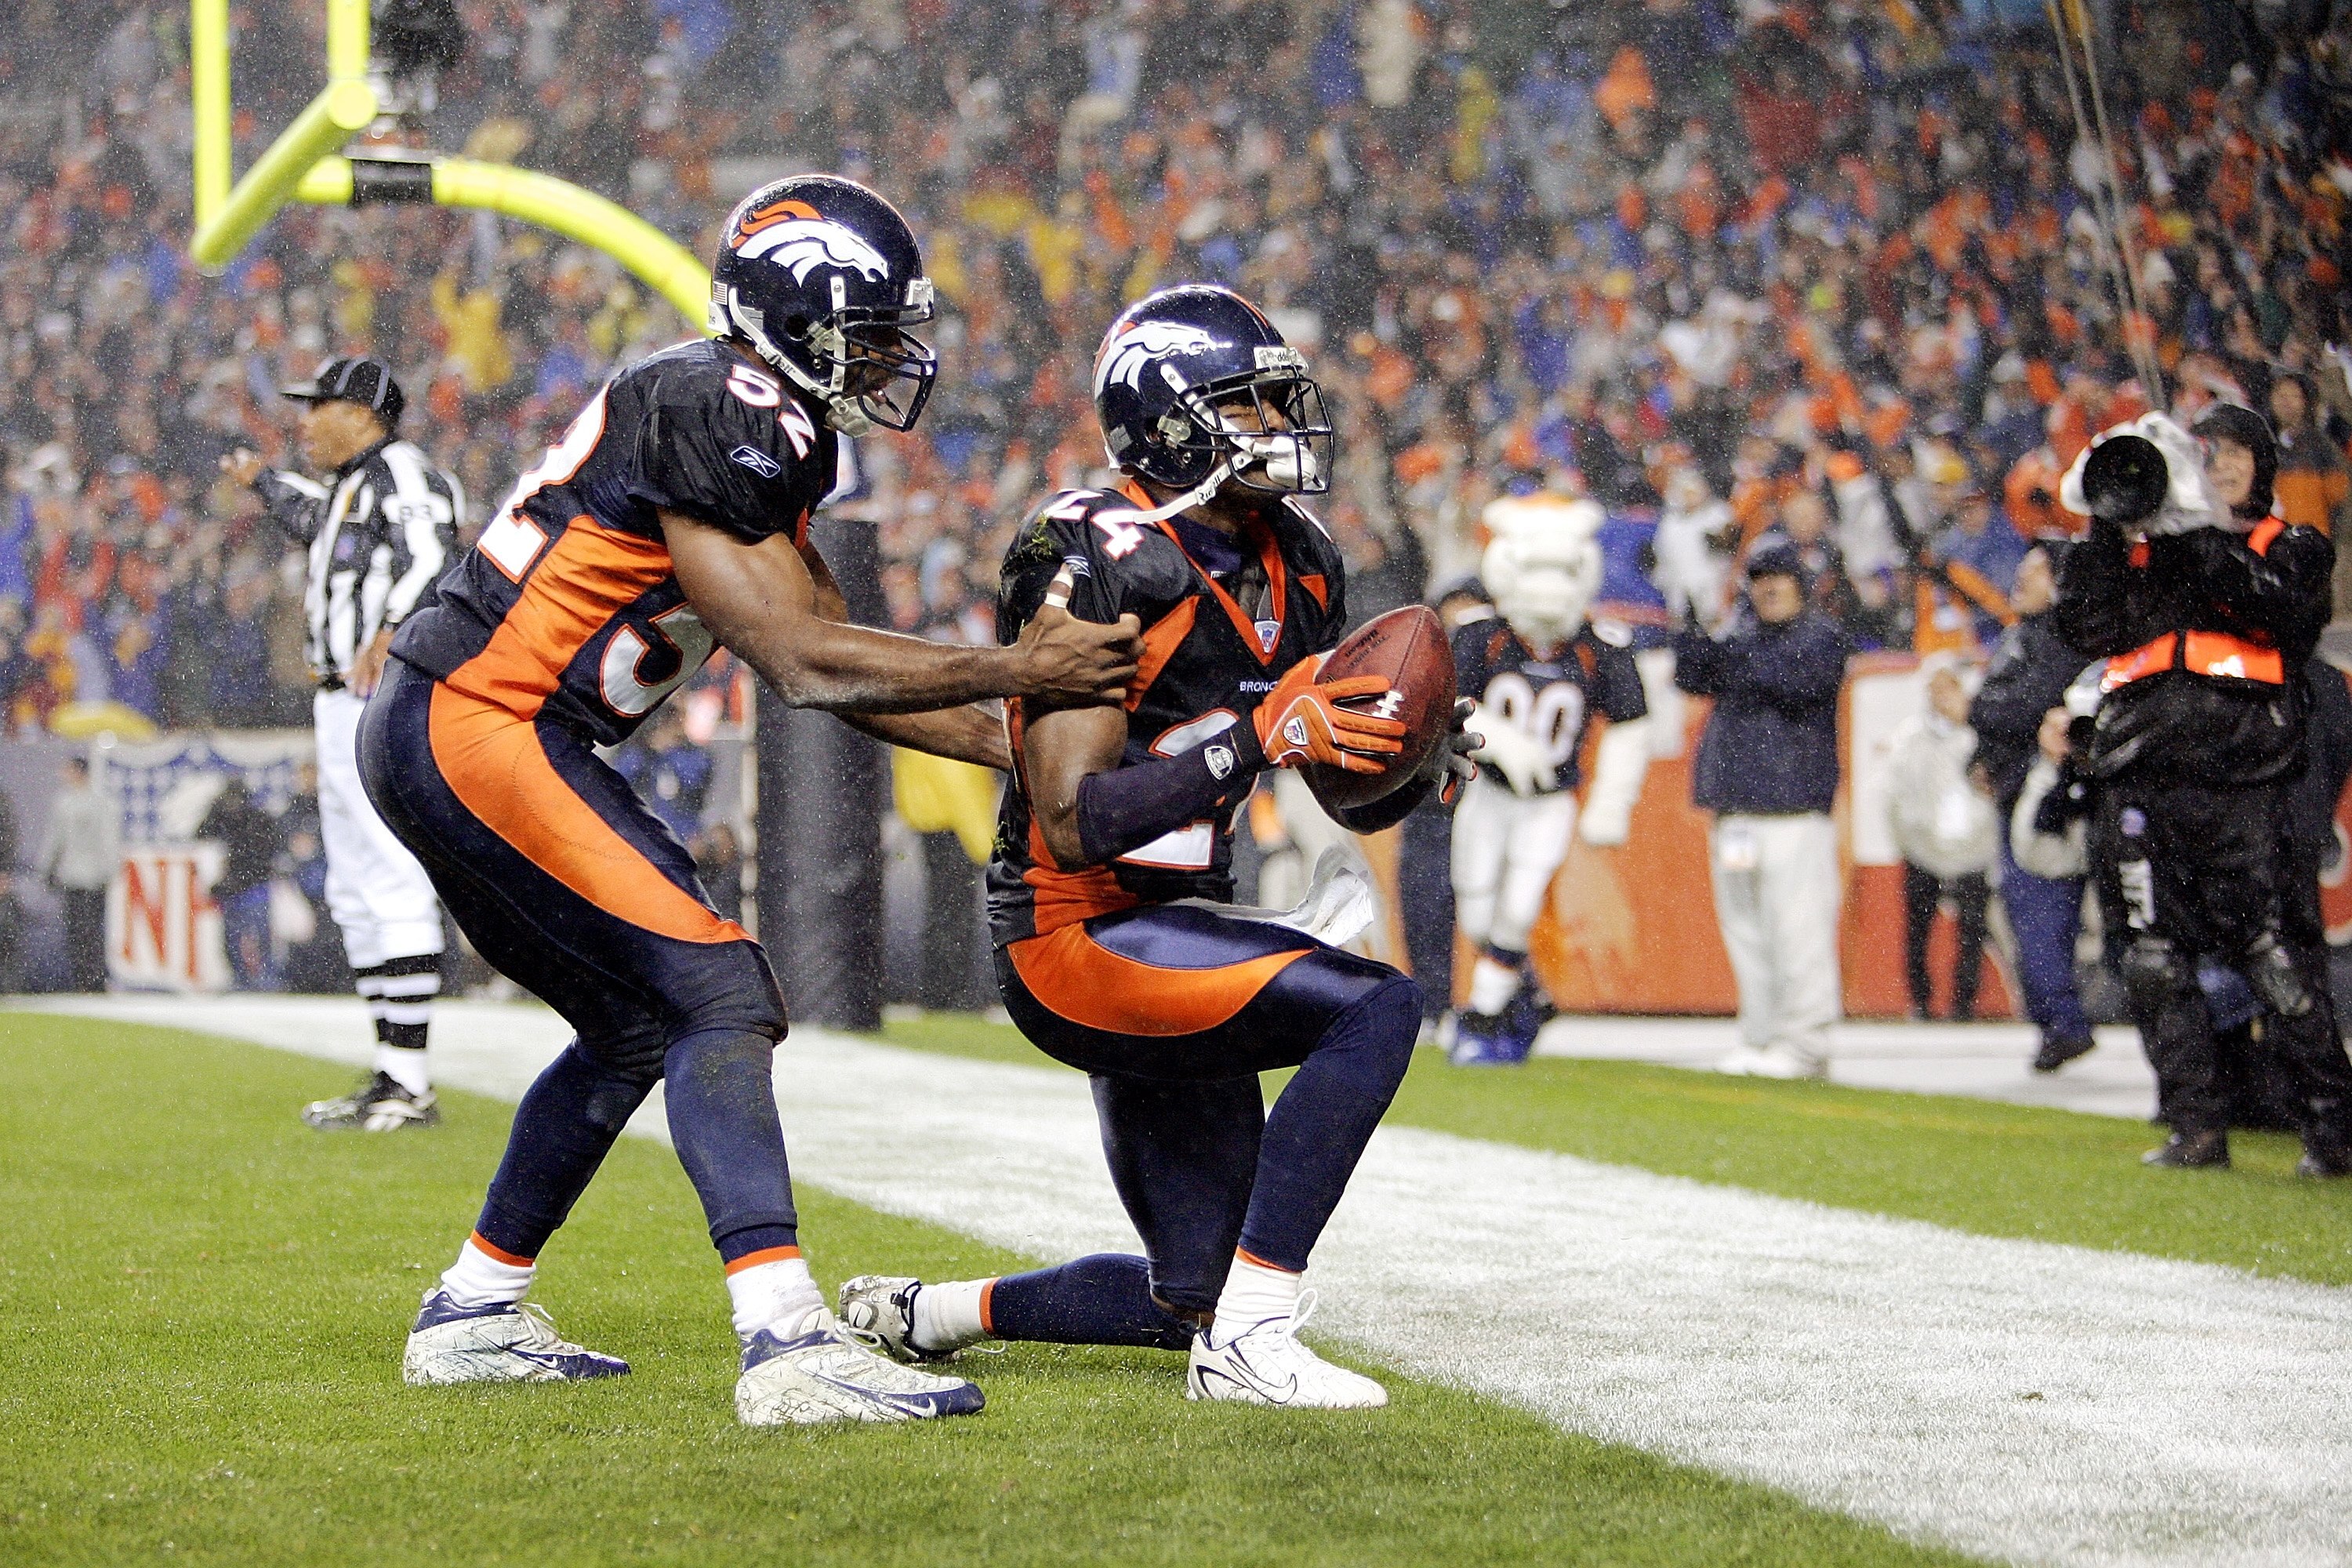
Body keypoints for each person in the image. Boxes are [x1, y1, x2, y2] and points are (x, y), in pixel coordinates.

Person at [361, 175, 1142, 1425]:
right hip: (482, 722)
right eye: (870, 330)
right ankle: (786, 1343)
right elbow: (798, 659)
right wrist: (1026, 668)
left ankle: (473, 1309)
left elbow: (836, 661)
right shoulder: (718, 402)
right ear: (792, 318)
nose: (894, 358)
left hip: (470, 726)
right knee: (722, 988)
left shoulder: (761, 423)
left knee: (635, 1028)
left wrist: (1018, 743)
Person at [833, 285, 1472, 1409]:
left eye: (1283, 403)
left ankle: (931, 1312)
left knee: (1190, 1288)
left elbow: (1339, 789)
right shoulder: (1096, 550)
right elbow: (1076, 814)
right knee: (1377, 1008)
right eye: (1255, 405)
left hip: (1185, 925)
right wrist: (1255, 737)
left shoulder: (1304, 562)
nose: (1283, 427)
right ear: (1173, 422)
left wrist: (1408, 764)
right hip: (1075, 932)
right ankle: (1255, 1344)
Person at [2052, 405, 2352, 1174]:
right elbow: (2085, 624)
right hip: (2140, 777)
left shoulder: (2290, 545)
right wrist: (2105, 519)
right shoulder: (2139, 555)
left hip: (2243, 778)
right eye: (2199, 454)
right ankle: (2195, 1127)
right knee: (2152, 957)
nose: (2213, 467)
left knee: (2275, 954)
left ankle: (2331, 1131)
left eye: (2230, 454)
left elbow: (2279, 611)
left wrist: (2197, 527)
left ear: (2262, 465)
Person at [225, 356, 461, 1130]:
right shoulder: (354, 490)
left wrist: (395, 623)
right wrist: (262, 480)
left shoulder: (403, 472)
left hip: (379, 696)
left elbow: (433, 549)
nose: (303, 421)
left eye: (316, 405)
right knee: (354, 883)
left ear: (361, 413)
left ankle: (411, 1078)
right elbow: (314, 518)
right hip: (339, 699)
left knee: (389, 873)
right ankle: (392, 1070)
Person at [1447, 492, 1650, 1064]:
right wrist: (1502, 741)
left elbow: (1632, 725)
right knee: (1479, 914)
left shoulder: (1601, 647)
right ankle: (1528, 994)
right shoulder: (1482, 636)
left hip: (1550, 802)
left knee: (1517, 909)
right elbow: (1448, 701)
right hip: (1488, 794)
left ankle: (1482, 1021)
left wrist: (1610, 803)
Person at [1674, 539, 1851, 1078]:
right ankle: (1763, 1033)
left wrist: (1723, 648)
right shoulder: (1743, 638)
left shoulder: (1821, 636)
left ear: (1802, 585)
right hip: (1738, 812)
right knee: (1747, 930)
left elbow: (1790, 680)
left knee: (1797, 928)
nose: (1768, 588)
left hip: (1793, 810)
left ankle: (1807, 1041)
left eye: (1779, 578)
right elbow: (1690, 675)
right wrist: (1692, 626)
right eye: (1759, 578)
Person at [1967, 546, 2097, 1069]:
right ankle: (2055, 1023)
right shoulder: (2022, 635)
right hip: (2018, 790)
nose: (2021, 579)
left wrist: (1981, 712)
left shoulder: (2065, 637)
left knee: (2041, 910)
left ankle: (2063, 1021)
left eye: (2035, 573)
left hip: (2049, 796)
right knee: (2031, 915)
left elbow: (2026, 704)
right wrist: (1981, 758)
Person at [1886, 658, 1998, 1021]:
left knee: (1972, 929)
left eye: (1948, 686)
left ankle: (1964, 1001)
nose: (1940, 696)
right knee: (1918, 927)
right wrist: (1910, 835)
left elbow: (1990, 789)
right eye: (1934, 687)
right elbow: (1896, 792)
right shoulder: (1911, 736)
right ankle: (1920, 999)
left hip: (1973, 847)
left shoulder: (1981, 735)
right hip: (1922, 847)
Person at [35, 753, 116, 991]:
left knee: (89, 930)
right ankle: (85, 979)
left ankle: (93, 979)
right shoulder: (66, 803)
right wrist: (47, 868)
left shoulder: (98, 803)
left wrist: (108, 872)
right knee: (78, 931)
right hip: (74, 877)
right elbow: (55, 840)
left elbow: (107, 841)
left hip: (90, 878)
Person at [196, 779, 281, 992]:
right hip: (235, 891)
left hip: (252, 889)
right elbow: (200, 835)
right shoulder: (221, 819)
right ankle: (243, 978)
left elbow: (263, 854)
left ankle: (264, 977)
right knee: (233, 939)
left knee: (258, 937)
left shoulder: (257, 820)